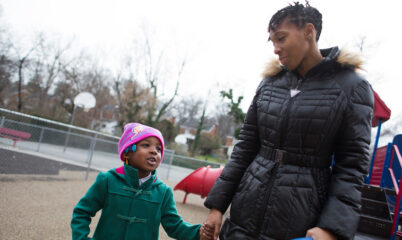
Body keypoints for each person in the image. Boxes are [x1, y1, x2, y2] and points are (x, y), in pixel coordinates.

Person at [203, 2, 374, 240]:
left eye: (281, 38)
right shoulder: (269, 84)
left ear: (309, 32)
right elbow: (244, 149)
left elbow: (352, 166)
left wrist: (331, 228)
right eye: (272, 42)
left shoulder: (352, 87)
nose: (275, 49)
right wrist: (217, 207)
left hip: (300, 219)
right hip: (244, 214)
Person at [71, 123, 207, 240]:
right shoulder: (108, 180)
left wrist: (199, 233)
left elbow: (175, 226)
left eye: (158, 148)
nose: (154, 151)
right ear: (127, 153)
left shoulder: (163, 192)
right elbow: (82, 212)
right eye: (146, 145)